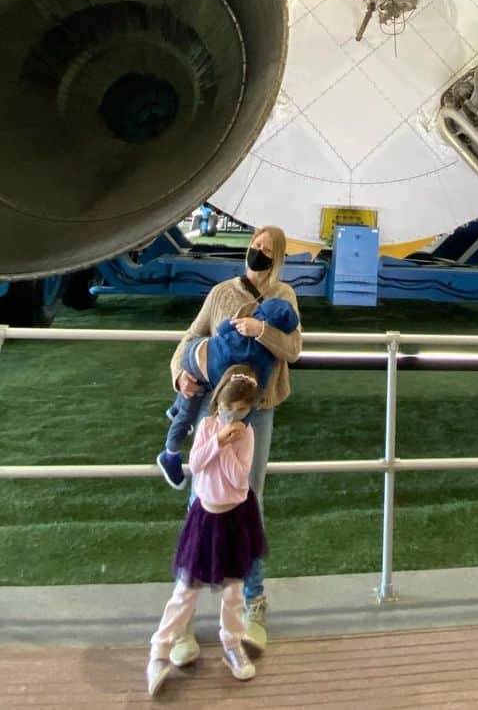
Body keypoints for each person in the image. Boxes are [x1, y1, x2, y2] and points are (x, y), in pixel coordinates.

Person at [164, 225, 301, 664]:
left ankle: (252, 604)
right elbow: (190, 338)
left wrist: (261, 329)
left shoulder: (286, 297)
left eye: (266, 250)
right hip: (214, 407)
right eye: (254, 247)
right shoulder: (222, 292)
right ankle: (181, 618)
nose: (257, 254)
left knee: (248, 499)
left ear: (278, 257)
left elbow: (293, 350)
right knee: (200, 502)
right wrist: (180, 375)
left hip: (258, 410)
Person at [147, 365, 267, 697]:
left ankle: (231, 642)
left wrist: (228, 446)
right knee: (186, 589)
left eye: (242, 410)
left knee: (233, 591)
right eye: (230, 408)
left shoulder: (248, 435)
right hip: (205, 519)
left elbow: (240, 480)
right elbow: (197, 463)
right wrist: (217, 440)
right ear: (219, 403)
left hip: (235, 520)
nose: (234, 416)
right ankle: (159, 649)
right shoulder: (206, 426)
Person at [157, 295, 300, 479]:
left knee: (188, 408)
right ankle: (170, 454)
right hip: (209, 376)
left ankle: (177, 410)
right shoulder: (264, 358)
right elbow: (257, 391)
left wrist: (260, 330)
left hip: (204, 359)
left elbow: (222, 328)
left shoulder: (249, 321)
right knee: (187, 415)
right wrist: (178, 376)